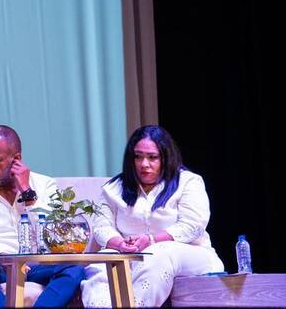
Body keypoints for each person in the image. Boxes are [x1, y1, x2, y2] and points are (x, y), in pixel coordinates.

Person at [79, 125, 223, 307]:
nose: (144, 164)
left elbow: (193, 226)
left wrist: (150, 240)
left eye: (152, 157)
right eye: (138, 156)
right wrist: (120, 244)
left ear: (166, 157)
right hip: (131, 255)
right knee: (105, 260)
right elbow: (101, 227)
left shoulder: (188, 182)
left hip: (190, 254)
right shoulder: (114, 188)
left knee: (157, 253)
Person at [0, 125, 85, 307]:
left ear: (16, 160)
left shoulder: (45, 185)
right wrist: (3, 257)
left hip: (38, 265)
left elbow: (55, 237)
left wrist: (27, 192)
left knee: (75, 269)